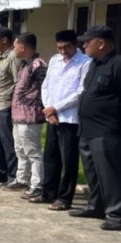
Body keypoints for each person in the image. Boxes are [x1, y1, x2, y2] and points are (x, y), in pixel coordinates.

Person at [70, 26, 121, 231]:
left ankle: (117, 214)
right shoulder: (94, 65)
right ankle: (96, 206)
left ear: (101, 43)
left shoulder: (117, 64)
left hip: (107, 130)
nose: (83, 45)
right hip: (87, 129)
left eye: (87, 42)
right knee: (93, 172)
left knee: (110, 174)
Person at [34, 29, 92, 208]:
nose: (63, 52)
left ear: (76, 44)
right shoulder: (54, 60)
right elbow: (46, 85)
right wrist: (49, 109)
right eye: (59, 48)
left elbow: (80, 92)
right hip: (52, 117)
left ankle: (65, 198)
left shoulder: (85, 62)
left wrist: (56, 108)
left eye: (67, 47)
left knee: (68, 160)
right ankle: (48, 193)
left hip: (70, 118)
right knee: (50, 157)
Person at [8, 33, 47, 195]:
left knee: (33, 152)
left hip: (30, 116)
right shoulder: (24, 64)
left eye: (15, 45)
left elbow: (43, 89)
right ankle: (22, 179)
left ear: (22, 47)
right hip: (18, 115)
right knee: (20, 149)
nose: (14, 49)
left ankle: (37, 185)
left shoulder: (38, 65)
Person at [0, 27, 20, 185]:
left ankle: (13, 175)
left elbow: (18, 82)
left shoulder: (13, 57)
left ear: (4, 40)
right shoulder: (0, 57)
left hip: (5, 106)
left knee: (8, 142)